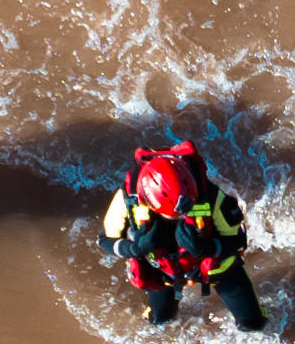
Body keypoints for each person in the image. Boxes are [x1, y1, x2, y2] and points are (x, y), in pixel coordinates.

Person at [99, 140, 263, 328]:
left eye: (186, 210)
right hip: (162, 272)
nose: (182, 217)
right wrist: (134, 248)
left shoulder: (212, 197)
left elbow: (237, 240)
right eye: (174, 216)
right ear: (150, 203)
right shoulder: (127, 199)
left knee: (253, 324)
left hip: (216, 267)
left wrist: (206, 248)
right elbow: (104, 240)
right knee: (160, 324)